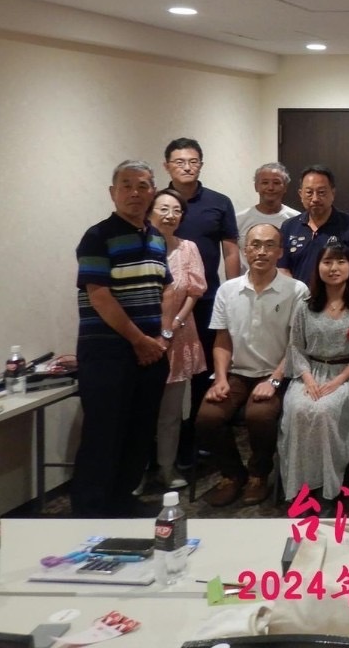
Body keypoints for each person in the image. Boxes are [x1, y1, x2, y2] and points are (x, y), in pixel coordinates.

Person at [73, 160, 174, 518]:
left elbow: (165, 289)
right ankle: (89, 513)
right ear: (112, 192)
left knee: (138, 433)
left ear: (153, 191)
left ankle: (122, 502)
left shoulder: (156, 237)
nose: (135, 192)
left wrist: (161, 336)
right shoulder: (97, 236)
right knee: (103, 435)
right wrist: (138, 340)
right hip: (108, 354)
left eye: (143, 185)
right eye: (126, 185)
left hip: (150, 353)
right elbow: (99, 296)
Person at [197, 223, 309, 507]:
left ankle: (259, 475)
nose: (262, 251)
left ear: (280, 252)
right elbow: (222, 340)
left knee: (259, 416)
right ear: (245, 250)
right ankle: (232, 475)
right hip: (237, 372)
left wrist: (274, 380)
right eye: (255, 245)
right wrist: (220, 378)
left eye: (270, 245)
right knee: (207, 418)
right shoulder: (227, 290)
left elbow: (297, 343)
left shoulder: (296, 290)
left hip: (278, 373)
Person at [280, 240, 349, 513]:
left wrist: (338, 380)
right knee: (299, 409)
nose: (334, 268)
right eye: (327, 262)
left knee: (324, 411)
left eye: (341, 262)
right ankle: (301, 488)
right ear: (318, 267)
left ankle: (328, 488)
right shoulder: (305, 306)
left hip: (348, 376)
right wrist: (308, 379)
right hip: (309, 374)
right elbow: (296, 347)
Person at [162, 137, 239, 467]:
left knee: (202, 374)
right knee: (164, 377)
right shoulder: (159, 202)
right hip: (164, 306)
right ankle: (159, 450)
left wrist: (233, 292)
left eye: (193, 161)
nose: (187, 167)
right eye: (179, 162)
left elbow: (231, 251)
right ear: (167, 166)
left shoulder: (219, 202)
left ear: (201, 165)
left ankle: (195, 444)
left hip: (207, 300)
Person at [144, 188, 206, 493]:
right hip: (141, 339)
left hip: (179, 337)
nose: (170, 216)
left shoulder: (188, 248)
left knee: (170, 414)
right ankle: (136, 473)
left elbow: (194, 292)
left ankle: (166, 470)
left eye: (177, 210)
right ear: (149, 212)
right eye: (164, 209)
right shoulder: (138, 247)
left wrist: (173, 325)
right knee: (140, 412)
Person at [279, 165, 349, 288]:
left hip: (337, 297)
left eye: (321, 192)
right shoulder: (289, 226)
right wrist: (297, 294)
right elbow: (283, 268)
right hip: (298, 297)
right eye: (309, 192)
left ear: (333, 193)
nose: (315, 198)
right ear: (300, 194)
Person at [235, 162, 300, 239]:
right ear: (256, 186)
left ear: (285, 187)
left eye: (276, 183)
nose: (270, 188)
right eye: (265, 183)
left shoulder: (297, 219)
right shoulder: (239, 220)